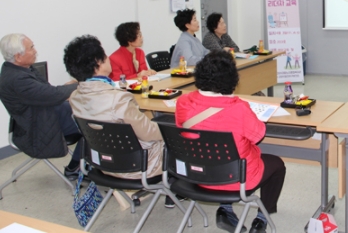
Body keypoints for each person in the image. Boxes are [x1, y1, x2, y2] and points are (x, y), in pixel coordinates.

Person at [175, 50, 286, 233]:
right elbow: (258, 135)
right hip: (236, 178)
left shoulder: (183, 102)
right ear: (232, 80)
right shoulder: (238, 108)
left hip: (195, 174)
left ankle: (226, 210)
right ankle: (261, 219)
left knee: (216, 157)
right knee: (277, 165)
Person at [64, 35, 177, 208]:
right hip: (138, 166)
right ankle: (176, 191)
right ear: (98, 62)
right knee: (179, 133)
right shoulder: (118, 99)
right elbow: (149, 133)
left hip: (101, 163)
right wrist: (175, 127)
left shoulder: (75, 97)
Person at [0, 33, 81, 180]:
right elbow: (52, 95)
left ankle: (82, 166)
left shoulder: (21, 69)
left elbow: (46, 92)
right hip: (38, 128)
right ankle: (74, 168)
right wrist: (81, 84)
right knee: (94, 125)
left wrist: (66, 89)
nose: (35, 51)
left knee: (91, 118)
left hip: (42, 117)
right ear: (18, 56)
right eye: (31, 48)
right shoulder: (17, 78)